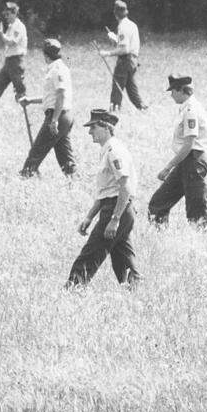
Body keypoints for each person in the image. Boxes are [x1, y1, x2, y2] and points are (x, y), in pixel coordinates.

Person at [66, 109, 141, 288]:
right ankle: (134, 288)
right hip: (116, 208)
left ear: (106, 127)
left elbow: (125, 187)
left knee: (90, 254)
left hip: (118, 209)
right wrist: (89, 217)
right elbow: (105, 192)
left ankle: (73, 289)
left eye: (93, 127)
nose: (89, 132)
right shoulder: (106, 150)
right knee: (122, 258)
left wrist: (115, 219)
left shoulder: (114, 151)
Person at [147, 75, 207, 228]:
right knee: (158, 204)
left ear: (182, 91)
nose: (171, 95)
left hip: (193, 162)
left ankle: (201, 245)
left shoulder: (190, 110)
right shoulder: (186, 108)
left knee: (196, 214)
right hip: (186, 162)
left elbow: (189, 144)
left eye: (173, 91)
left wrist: (167, 168)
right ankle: (161, 239)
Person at [18, 39, 76, 178]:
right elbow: (53, 97)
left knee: (36, 151)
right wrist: (31, 100)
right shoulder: (62, 67)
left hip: (57, 116)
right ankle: (73, 181)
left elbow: (61, 95)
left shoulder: (56, 70)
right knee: (64, 153)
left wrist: (54, 120)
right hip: (65, 115)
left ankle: (24, 179)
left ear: (46, 55)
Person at [100, 0, 147, 112]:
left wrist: (107, 53)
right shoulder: (132, 25)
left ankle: (114, 111)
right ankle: (142, 107)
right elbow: (128, 44)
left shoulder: (122, 27)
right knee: (131, 87)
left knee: (117, 87)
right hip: (133, 60)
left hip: (125, 61)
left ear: (115, 14)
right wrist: (115, 38)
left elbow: (124, 49)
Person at [0, 1, 27, 103]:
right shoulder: (10, 26)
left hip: (16, 61)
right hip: (9, 60)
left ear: (14, 13)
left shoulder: (19, 26)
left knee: (18, 84)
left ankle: (23, 102)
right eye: (5, 14)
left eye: (8, 14)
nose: (6, 17)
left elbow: (11, 42)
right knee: (0, 82)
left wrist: (1, 33)